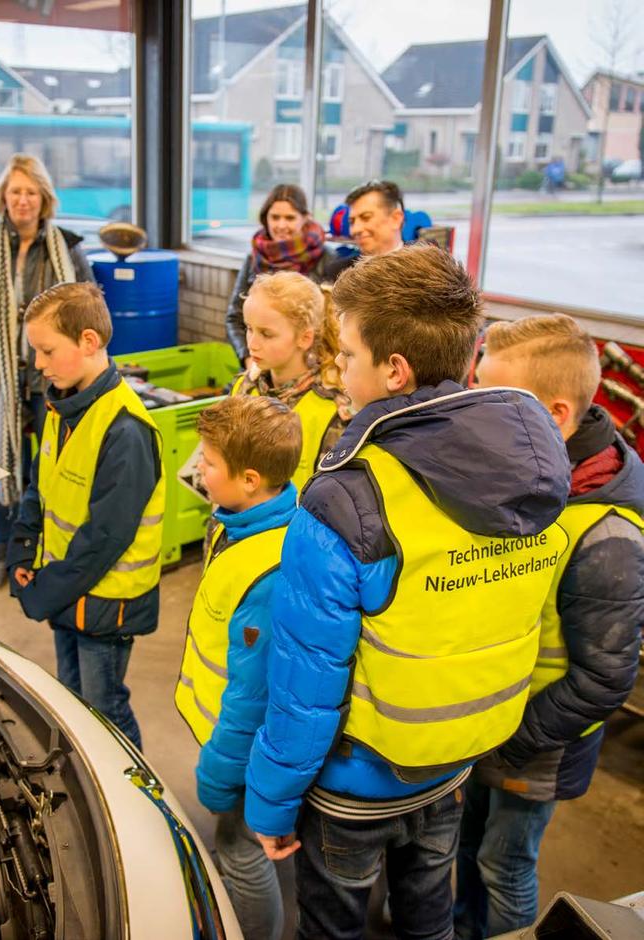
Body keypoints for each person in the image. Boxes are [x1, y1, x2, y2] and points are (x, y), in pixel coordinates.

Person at [243, 243, 571, 940]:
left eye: (350, 354)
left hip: (358, 787)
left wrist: (270, 806)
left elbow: (306, 686)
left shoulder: (347, 501)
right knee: (427, 914)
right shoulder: (534, 475)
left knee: (334, 923)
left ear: (394, 371)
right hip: (455, 764)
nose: (339, 368)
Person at [454, 314, 644, 939]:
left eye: (494, 400)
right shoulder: (536, 476)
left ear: (557, 414)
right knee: (469, 841)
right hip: (498, 722)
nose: (475, 413)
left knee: (503, 863)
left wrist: (514, 737)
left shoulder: (608, 533)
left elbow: (603, 680)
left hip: (538, 741)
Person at [6, 282, 163, 750]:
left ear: (89, 342)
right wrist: (22, 551)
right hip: (65, 593)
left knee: (105, 707)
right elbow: (41, 489)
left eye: (47, 350)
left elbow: (104, 538)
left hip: (103, 607)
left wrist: (44, 592)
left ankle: (138, 792)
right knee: (72, 700)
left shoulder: (125, 429)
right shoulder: (63, 405)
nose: (39, 363)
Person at [176, 394, 301, 940]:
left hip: (247, 751)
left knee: (240, 848)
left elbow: (251, 697)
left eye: (208, 461)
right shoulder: (243, 523)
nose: (198, 467)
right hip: (231, 736)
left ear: (250, 479)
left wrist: (219, 776)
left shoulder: (267, 572)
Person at [0, 153, 95, 594]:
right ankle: (4, 554)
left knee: (49, 467)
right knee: (2, 469)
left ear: (44, 198)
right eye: (15, 192)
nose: (23, 200)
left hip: (51, 379)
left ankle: (45, 552)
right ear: (3, 197)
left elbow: (90, 309)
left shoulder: (66, 249)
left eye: (31, 192)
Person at [232, 270, 349, 488]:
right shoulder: (244, 389)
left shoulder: (334, 409)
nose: (253, 343)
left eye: (267, 334)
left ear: (304, 338)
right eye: (249, 329)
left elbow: (333, 494)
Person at [225, 183, 346, 366]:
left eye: (290, 218)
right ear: (265, 218)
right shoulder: (254, 257)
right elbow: (234, 317)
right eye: (275, 217)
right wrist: (248, 358)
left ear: (305, 218)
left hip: (312, 365)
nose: (281, 225)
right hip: (260, 363)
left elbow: (334, 322)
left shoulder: (327, 258)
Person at [343, 178, 406, 257]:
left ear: (396, 219)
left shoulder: (423, 267)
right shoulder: (338, 269)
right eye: (351, 222)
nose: (355, 230)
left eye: (366, 217)